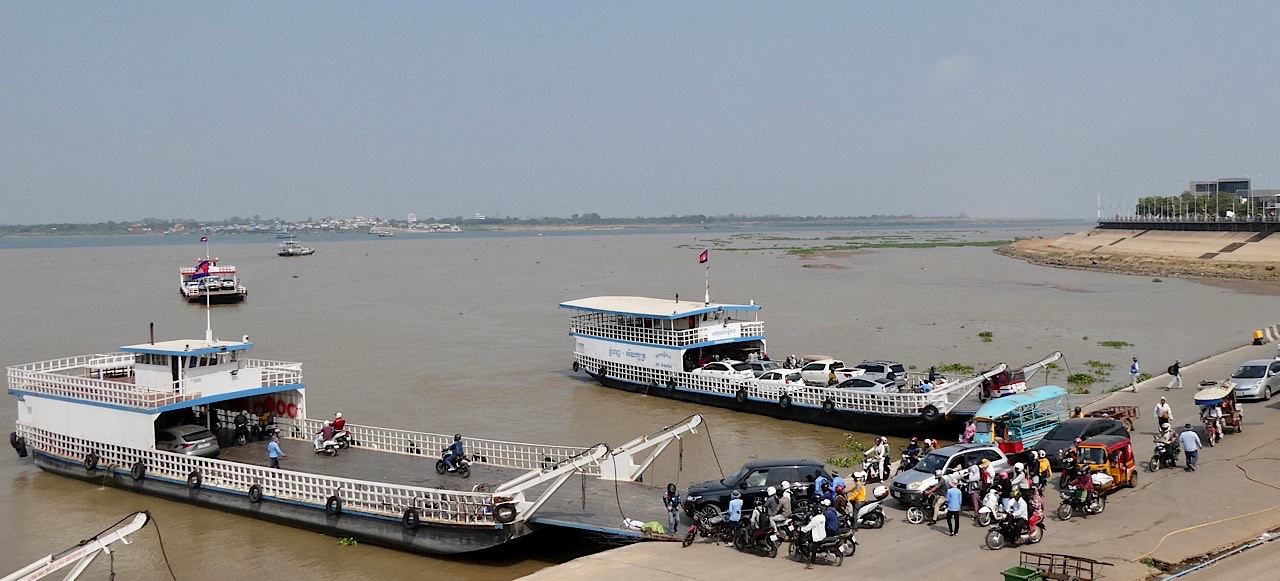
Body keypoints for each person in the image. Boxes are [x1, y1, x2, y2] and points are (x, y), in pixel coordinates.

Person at [800, 500, 828, 569]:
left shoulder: (815, 519)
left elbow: (808, 527)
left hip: (817, 537)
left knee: (813, 550)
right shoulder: (823, 517)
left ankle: (811, 563)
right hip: (823, 535)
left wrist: (801, 529)